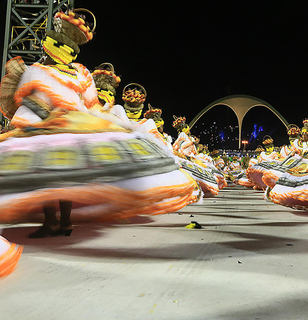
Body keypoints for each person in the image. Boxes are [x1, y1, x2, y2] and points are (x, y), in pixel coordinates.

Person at [0, 8, 199, 238]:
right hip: (75, 127)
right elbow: (91, 106)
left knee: (47, 176)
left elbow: (22, 100)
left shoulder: (37, 71)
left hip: (50, 129)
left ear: (50, 49)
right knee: (64, 177)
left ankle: (53, 221)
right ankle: (64, 221)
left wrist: (46, 115)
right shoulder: (80, 73)